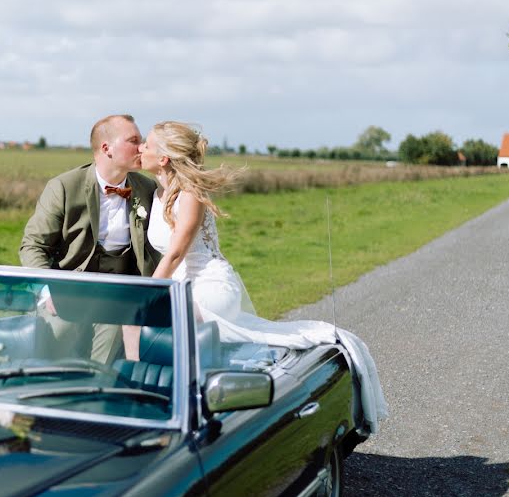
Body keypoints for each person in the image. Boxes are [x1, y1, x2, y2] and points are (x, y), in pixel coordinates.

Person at [137, 121, 388, 432]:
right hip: (182, 281)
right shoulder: (158, 192)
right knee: (168, 335)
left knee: (178, 329)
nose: (140, 149)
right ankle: (177, 406)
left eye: (146, 144)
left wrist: (148, 292)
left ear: (163, 158)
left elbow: (176, 253)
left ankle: (201, 411)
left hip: (210, 284)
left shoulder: (189, 194)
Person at [19, 114, 161, 363]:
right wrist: (47, 292)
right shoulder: (64, 187)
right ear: (107, 148)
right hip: (68, 291)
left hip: (119, 295)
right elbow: (33, 245)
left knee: (106, 355)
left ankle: (96, 390)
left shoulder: (147, 189)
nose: (141, 147)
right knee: (55, 342)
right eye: (133, 140)